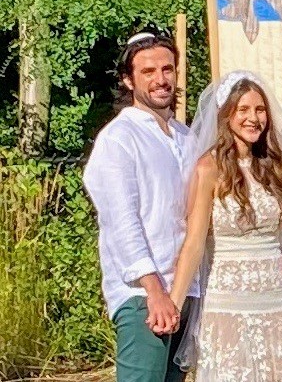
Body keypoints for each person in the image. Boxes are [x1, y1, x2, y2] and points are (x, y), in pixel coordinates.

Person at [169, 71, 282, 380]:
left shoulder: (275, 167)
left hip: (275, 297)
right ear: (227, 115)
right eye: (244, 110)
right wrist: (174, 302)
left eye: (260, 110)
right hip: (227, 299)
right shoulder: (208, 168)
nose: (254, 118)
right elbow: (195, 242)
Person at [83, 32, 199, 382]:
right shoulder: (119, 139)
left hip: (186, 291)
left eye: (167, 69)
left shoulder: (186, 137)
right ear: (127, 79)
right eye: (148, 71)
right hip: (143, 295)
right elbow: (122, 223)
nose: (160, 79)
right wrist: (154, 290)